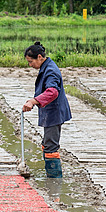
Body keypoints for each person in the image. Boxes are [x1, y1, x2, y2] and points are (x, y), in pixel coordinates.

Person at [21, 42, 72, 178]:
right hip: (50, 111)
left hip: (54, 113)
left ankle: (54, 179)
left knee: (50, 147)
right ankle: (50, 175)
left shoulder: (50, 71)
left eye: (31, 61)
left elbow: (52, 92)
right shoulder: (46, 67)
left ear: (39, 57)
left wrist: (33, 101)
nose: (30, 65)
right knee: (47, 144)